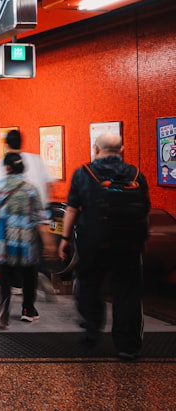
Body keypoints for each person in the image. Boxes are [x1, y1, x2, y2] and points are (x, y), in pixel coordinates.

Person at [57, 132, 150, 360]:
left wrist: (65, 238)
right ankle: (128, 346)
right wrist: (141, 240)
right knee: (127, 290)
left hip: (93, 240)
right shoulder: (137, 174)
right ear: (122, 150)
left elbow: (71, 209)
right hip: (128, 243)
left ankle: (92, 329)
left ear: (95, 149)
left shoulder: (84, 173)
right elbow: (144, 211)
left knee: (89, 283)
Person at [0, 153, 55, 328]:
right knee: (29, 275)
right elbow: (41, 218)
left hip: (4, 240)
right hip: (26, 242)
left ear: (7, 168)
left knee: (5, 277)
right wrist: (48, 242)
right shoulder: (31, 189)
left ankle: (3, 311)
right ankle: (27, 310)